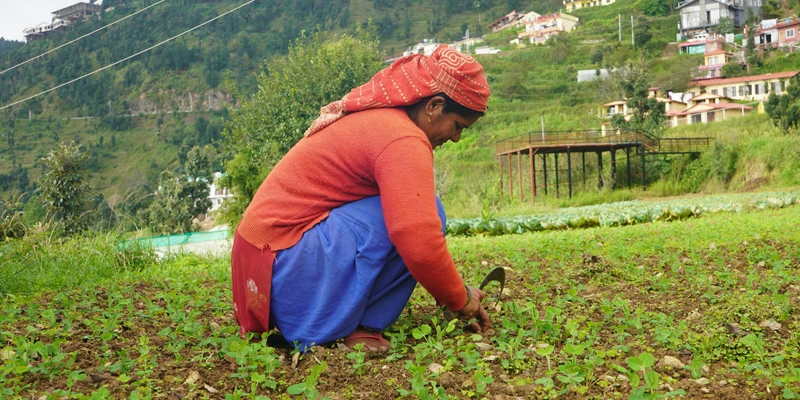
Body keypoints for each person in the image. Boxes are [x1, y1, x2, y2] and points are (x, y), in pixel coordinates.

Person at [231, 44, 492, 352]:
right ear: (434, 106)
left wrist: (449, 293)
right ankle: (350, 325)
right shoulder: (402, 138)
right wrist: (459, 298)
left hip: (259, 271)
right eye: (458, 125)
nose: (456, 137)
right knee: (426, 214)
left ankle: (344, 320)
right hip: (281, 267)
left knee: (414, 210)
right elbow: (417, 237)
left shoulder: (383, 121)